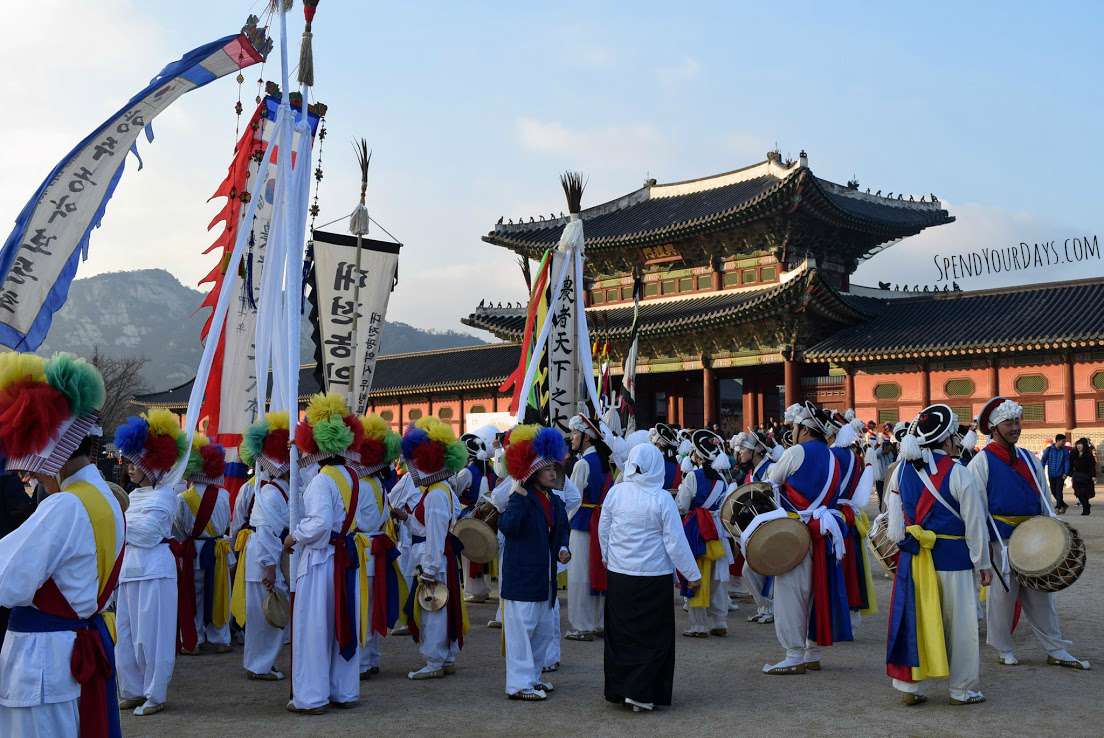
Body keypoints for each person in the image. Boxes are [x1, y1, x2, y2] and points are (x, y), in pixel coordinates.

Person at [0, 353, 126, 736]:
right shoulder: (104, 496)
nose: (29, 468)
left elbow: (8, 582)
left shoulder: (65, 506)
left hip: (44, 659)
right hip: (72, 646)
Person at [966, 397, 1090, 670]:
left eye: (1017, 421)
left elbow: (1044, 495)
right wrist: (983, 546)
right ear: (995, 428)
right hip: (1002, 540)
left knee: (1041, 596)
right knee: (1002, 596)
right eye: (1009, 423)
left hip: (1034, 537)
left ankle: (1055, 648)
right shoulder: (981, 462)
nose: (1015, 427)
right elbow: (976, 509)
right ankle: (1003, 647)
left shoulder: (1027, 458)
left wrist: (1053, 526)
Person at [885, 404, 992, 705]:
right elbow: (975, 525)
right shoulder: (959, 473)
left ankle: (907, 688)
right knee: (961, 626)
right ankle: (962, 689)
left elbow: (893, 521)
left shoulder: (901, 470)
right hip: (953, 559)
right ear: (947, 440)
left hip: (914, 559)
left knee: (912, 620)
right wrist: (982, 562)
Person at [600, 443, 701, 712]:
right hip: (653, 576)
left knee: (621, 635)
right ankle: (642, 693)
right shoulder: (662, 498)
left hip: (620, 575)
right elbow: (675, 543)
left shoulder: (616, 493)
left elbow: (604, 529)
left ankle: (622, 690)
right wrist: (692, 575)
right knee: (652, 636)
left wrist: (608, 558)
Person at [285, 393, 367, 713]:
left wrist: (295, 536)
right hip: (345, 557)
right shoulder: (351, 476)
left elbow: (318, 524)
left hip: (322, 561)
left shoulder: (322, 481)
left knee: (314, 628)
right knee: (342, 621)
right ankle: (344, 690)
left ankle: (311, 696)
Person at [764, 401, 852, 674]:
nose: (792, 430)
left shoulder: (796, 452)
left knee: (790, 592)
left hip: (795, 530)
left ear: (803, 429)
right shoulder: (832, 456)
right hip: (823, 532)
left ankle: (793, 655)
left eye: (794, 426)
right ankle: (811, 651)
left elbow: (771, 480)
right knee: (817, 590)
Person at [113, 409, 189, 717]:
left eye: (135, 463)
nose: (130, 469)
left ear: (151, 465)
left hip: (155, 570)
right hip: (129, 571)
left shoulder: (166, 496)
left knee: (152, 636)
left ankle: (154, 694)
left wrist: (117, 524)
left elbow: (147, 534)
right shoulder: (132, 496)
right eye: (129, 463)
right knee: (127, 637)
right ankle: (131, 689)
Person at [498, 425, 571, 701]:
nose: (553, 473)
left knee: (542, 631)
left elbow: (562, 530)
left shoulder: (554, 500)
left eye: (554, 468)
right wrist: (517, 497)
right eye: (547, 469)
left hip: (544, 577)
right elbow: (508, 527)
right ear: (533, 473)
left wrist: (563, 548)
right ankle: (517, 684)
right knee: (522, 633)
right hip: (522, 577)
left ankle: (534, 677)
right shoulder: (521, 498)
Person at [401, 416, 469, 680]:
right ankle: (446, 656)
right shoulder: (438, 490)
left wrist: (429, 569)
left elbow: (435, 536)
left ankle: (434, 660)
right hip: (439, 559)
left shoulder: (436, 494)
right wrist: (406, 518)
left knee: (433, 611)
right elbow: (427, 529)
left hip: (434, 561)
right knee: (443, 607)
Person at [232, 411, 292, 681]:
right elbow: (267, 532)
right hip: (265, 556)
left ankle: (259, 663)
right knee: (265, 613)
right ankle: (260, 664)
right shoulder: (271, 492)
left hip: (266, 554)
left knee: (264, 613)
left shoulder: (274, 490)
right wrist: (269, 567)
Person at [348, 414, 405, 680]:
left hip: (362, 550)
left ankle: (361, 662)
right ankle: (370, 659)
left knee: (361, 606)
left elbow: (356, 521)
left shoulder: (357, 485)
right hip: (376, 549)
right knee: (373, 606)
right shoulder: (379, 485)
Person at [173, 435, 232, 655]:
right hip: (217, 550)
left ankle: (194, 639)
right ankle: (220, 638)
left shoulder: (182, 498)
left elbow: (178, 529)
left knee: (193, 596)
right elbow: (227, 523)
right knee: (219, 592)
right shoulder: (224, 496)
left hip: (193, 552)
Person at [564, 413, 611, 641]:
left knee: (579, 575)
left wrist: (562, 521)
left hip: (583, 524)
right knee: (598, 572)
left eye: (574, 433)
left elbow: (572, 500)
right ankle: (598, 621)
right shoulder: (605, 464)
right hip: (601, 523)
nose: (572, 437)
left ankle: (581, 625)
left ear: (586, 437)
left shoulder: (583, 464)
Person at [730, 430, 780, 624]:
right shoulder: (752, 472)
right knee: (750, 570)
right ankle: (765, 607)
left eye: (743, 449)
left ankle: (771, 608)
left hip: (771, 525)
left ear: (756, 450)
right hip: (757, 527)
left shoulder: (771, 469)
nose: (739, 452)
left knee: (765, 569)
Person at [452, 426, 499, 603]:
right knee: (484, 550)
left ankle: (473, 589)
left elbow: (455, 490)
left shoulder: (467, 472)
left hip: (468, 513)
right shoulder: (492, 471)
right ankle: (483, 588)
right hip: (488, 514)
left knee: (469, 552)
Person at [1040, 434, 1071, 513]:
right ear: (1057, 441)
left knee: (1059, 490)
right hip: (1051, 474)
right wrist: (1041, 469)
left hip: (1061, 475)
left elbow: (1067, 462)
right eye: (1063, 441)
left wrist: (1066, 473)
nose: (1064, 443)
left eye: (1065, 441)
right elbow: (1043, 460)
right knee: (1053, 491)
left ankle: (1058, 507)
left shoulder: (1065, 451)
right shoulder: (1049, 449)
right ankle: (1063, 505)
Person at [1069, 438, 1096, 516]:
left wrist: (1093, 475)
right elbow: (1070, 464)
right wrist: (1070, 473)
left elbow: (1092, 466)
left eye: (1080, 444)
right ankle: (1086, 505)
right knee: (1078, 493)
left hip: (1086, 476)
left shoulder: (1088, 454)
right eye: (1077, 444)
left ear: (1084, 445)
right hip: (1076, 476)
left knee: (1085, 493)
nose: (1078, 446)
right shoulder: (1074, 453)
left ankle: (1085, 508)